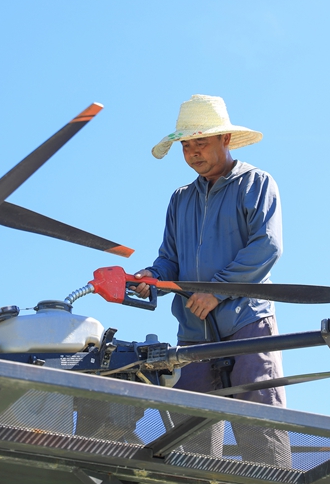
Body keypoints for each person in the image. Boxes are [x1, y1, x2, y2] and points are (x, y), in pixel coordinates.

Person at [131, 94, 291, 467]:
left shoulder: (255, 182)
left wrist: (216, 291)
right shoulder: (180, 199)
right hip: (193, 331)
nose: (192, 153)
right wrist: (153, 276)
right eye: (186, 145)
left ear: (226, 140)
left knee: (260, 428)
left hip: (247, 322)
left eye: (200, 142)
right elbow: (169, 258)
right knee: (194, 436)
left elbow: (266, 246)